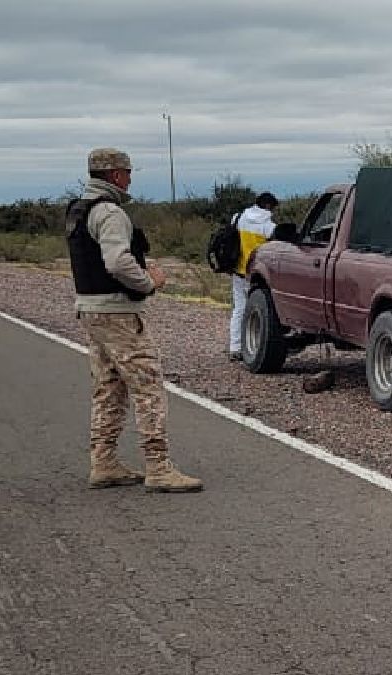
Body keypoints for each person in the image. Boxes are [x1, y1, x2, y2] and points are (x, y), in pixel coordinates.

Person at [66, 148, 203, 493]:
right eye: (127, 172)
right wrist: (149, 282)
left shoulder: (79, 210)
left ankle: (104, 460)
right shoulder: (110, 213)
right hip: (118, 312)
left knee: (109, 385)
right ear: (114, 175)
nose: (130, 179)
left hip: (91, 308)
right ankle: (158, 466)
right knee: (148, 384)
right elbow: (117, 262)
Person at [228, 192, 279, 361]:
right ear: (268, 206)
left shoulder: (238, 217)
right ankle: (253, 346)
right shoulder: (268, 226)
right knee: (258, 312)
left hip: (237, 271)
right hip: (257, 274)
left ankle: (235, 347)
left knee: (239, 309)